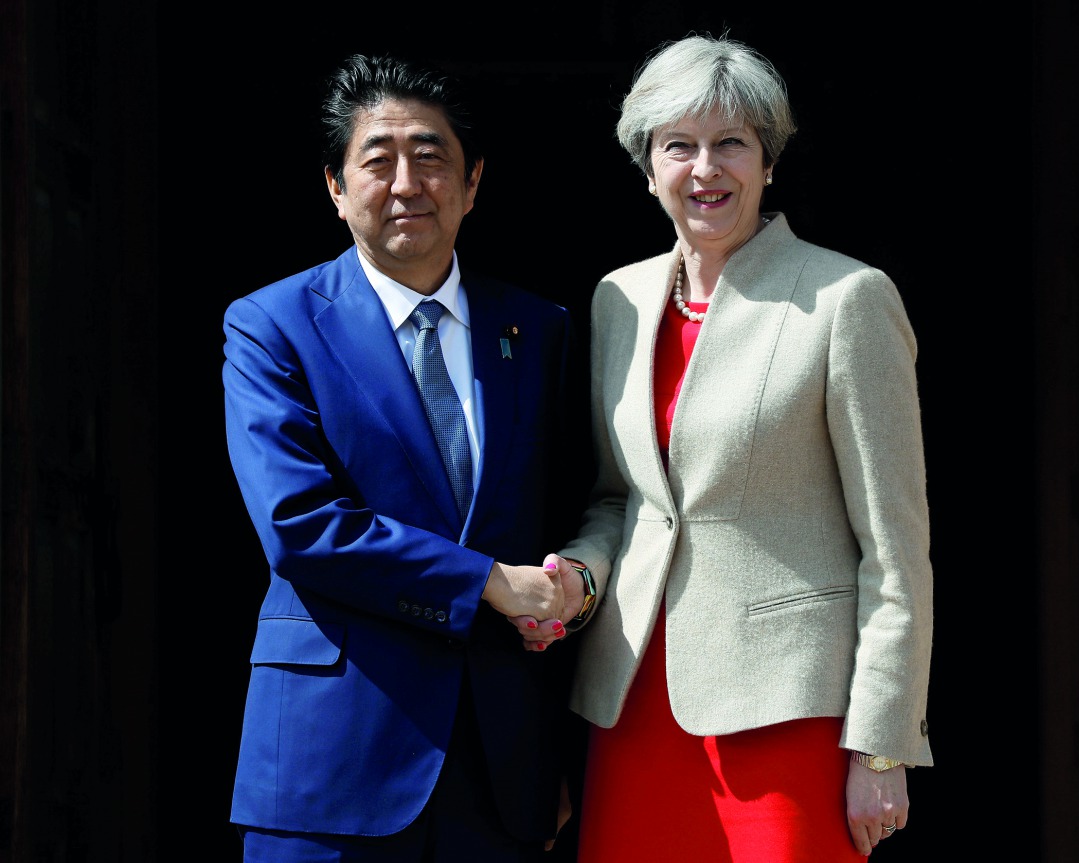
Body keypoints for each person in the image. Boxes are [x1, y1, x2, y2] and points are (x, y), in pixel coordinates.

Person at [512, 33, 934, 861]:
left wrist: (881, 745)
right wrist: (580, 574)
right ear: (649, 167)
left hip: (786, 719)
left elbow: (896, 548)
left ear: (768, 160)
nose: (706, 169)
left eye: (731, 143)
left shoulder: (847, 297)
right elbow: (620, 497)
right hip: (632, 707)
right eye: (680, 146)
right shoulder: (619, 298)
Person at [222, 53, 591, 862]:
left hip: (504, 776)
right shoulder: (271, 324)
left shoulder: (540, 330)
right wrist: (488, 581)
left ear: (473, 182)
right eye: (377, 161)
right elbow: (299, 525)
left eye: (431, 158)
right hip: (332, 768)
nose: (405, 183)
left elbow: (569, 514)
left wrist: (565, 749)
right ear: (334, 186)